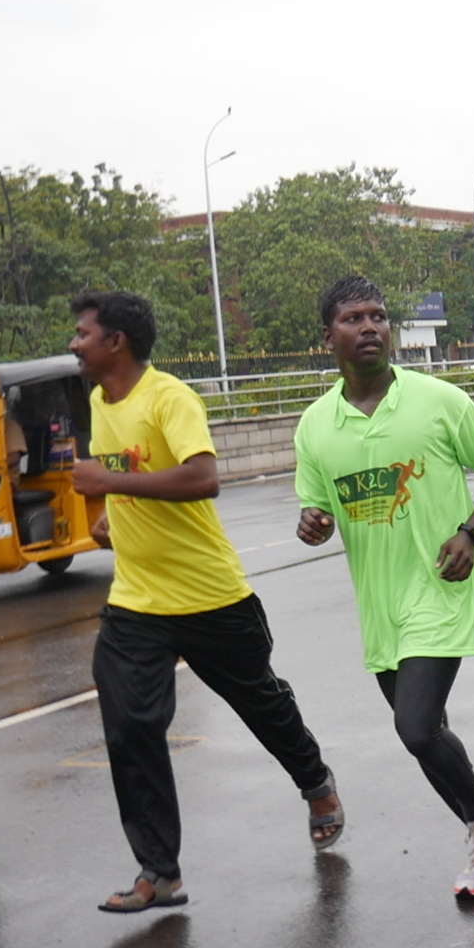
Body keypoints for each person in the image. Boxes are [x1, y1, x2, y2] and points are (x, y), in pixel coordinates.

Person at [68, 290, 342, 913]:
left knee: (261, 704)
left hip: (210, 595)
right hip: (137, 599)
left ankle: (315, 781)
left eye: (82, 333)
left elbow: (202, 477)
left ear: (117, 342)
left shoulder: (169, 397)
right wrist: (111, 514)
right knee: (130, 727)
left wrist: (112, 482)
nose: (73, 342)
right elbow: (121, 479)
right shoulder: (96, 401)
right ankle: (159, 872)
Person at [293, 275, 474, 899]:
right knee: (426, 734)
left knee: (416, 728)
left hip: (440, 588)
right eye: (353, 319)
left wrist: (470, 534)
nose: (370, 327)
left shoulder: (438, 400)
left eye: (379, 316)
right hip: (379, 607)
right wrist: (311, 523)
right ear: (328, 337)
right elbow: (315, 511)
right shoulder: (316, 425)